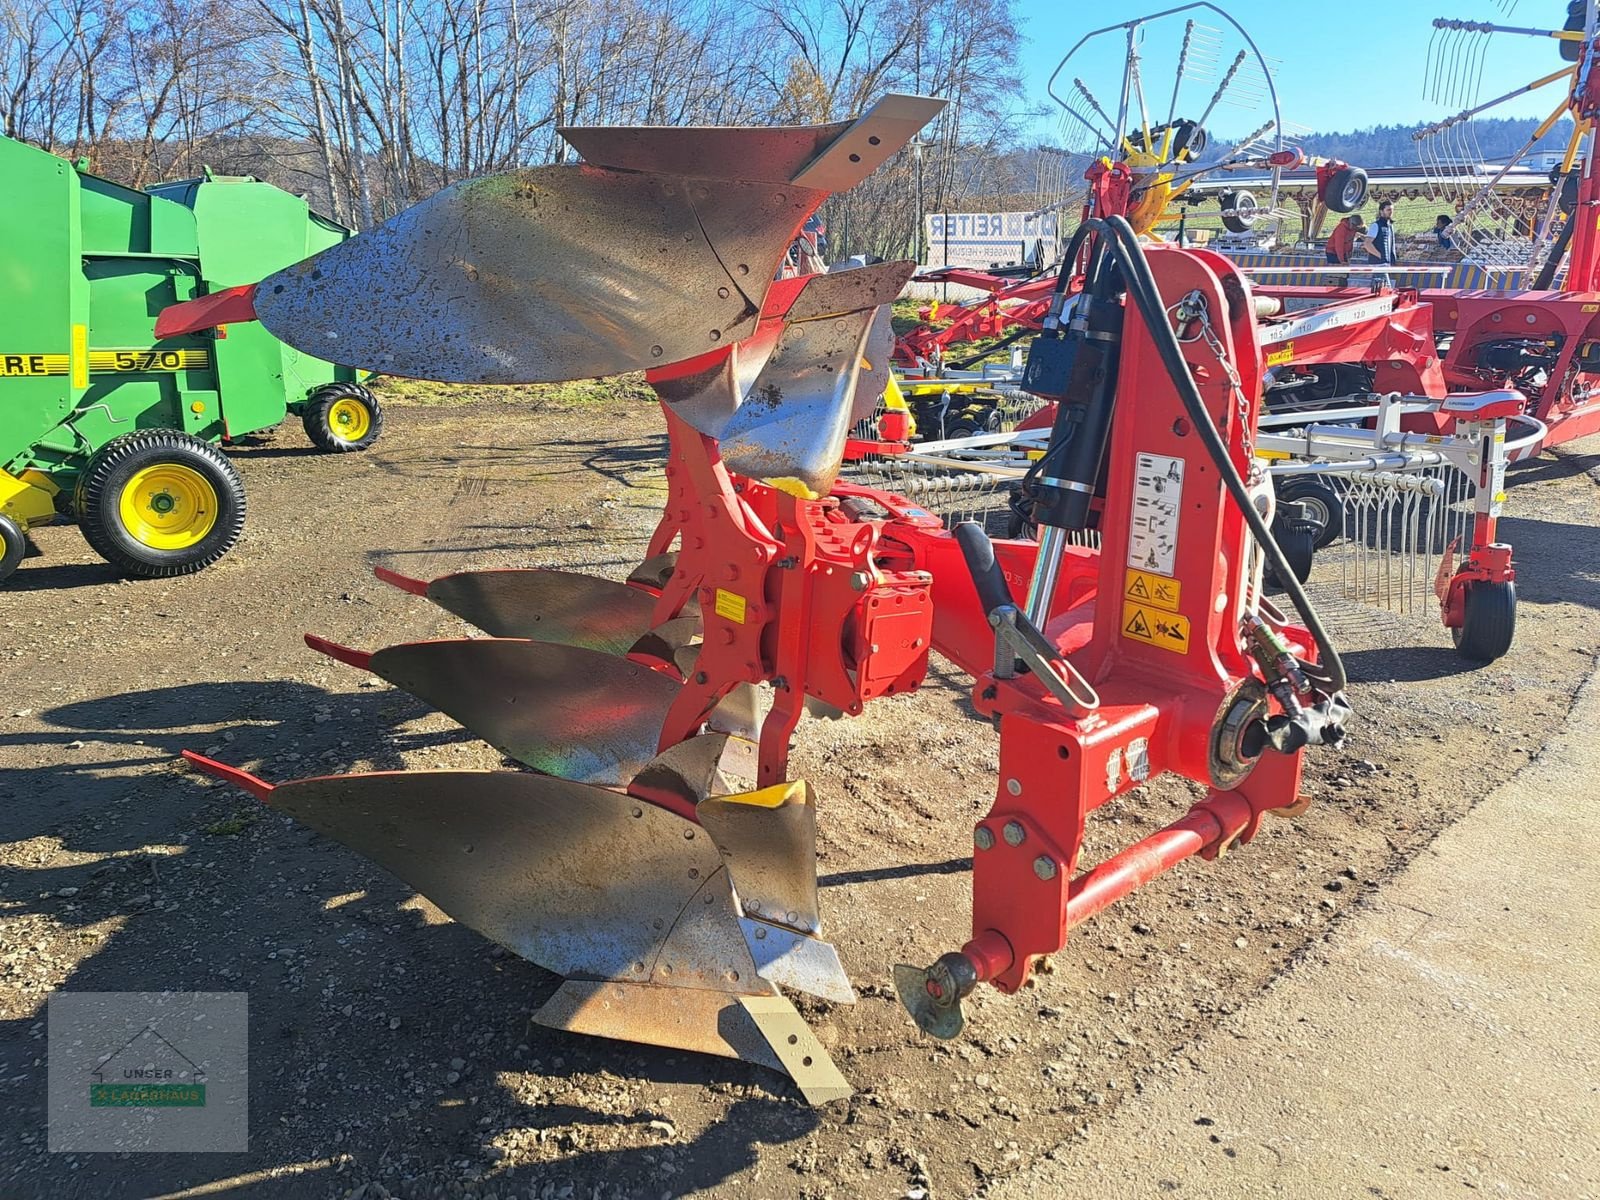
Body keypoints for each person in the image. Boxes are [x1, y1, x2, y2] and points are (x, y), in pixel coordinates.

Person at [1366, 199, 1398, 288]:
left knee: (1379, 289)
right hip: (1378, 264)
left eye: (1392, 210)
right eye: (1388, 210)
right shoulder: (1375, 225)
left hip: (1385, 263)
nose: (1391, 212)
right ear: (1381, 211)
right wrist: (1380, 255)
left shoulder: (1390, 225)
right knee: (1386, 288)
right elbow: (1367, 244)